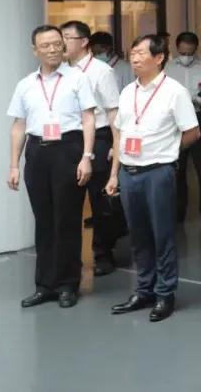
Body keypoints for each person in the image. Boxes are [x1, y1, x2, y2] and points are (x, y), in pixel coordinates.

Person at [106, 35, 200, 322]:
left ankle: (165, 293)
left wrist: (168, 152)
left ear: (159, 58)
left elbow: (192, 132)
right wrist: (114, 174)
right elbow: (120, 134)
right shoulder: (127, 91)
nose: (134, 58)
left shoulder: (175, 91)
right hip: (129, 171)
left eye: (141, 53)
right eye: (132, 53)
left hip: (158, 172)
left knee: (163, 235)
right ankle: (144, 289)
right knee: (138, 235)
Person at [7, 25, 96, 309]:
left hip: (68, 149)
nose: (53, 49)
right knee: (44, 220)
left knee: (66, 219)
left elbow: (88, 118)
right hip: (37, 152)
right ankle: (44, 285)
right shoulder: (25, 84)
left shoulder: (78, 78)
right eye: (45, 45)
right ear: (35, 50)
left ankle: (68, 284)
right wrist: (14, 164)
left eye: (58, 43)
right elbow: (19, 125)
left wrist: (86, 156)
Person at [61, 20, 122, 276]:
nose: (61, 43)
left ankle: (103, 254)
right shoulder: (61, 70)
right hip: (70, 138)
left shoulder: (101, 71)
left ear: (84, 41)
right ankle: (69, 259)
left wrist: (116, 145)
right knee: (69, 201)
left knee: (100, 201)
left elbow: (113, 111)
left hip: (99, 137)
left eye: (67, 37)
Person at [165, 31, 201, 226]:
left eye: (190, 53)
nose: (186, 57)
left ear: (196, 49)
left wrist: (196, 99)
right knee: (176, 170)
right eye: (183, 53)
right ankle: (177, 212)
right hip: (175, 124)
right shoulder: (168, 68)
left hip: (199, 120)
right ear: (177, 48)